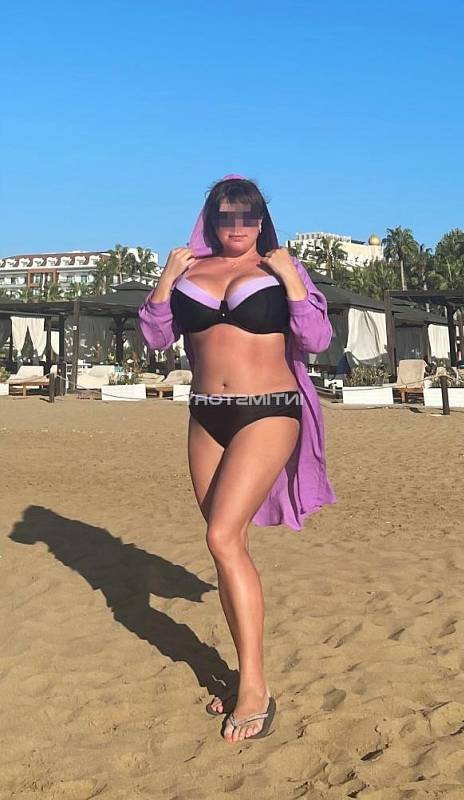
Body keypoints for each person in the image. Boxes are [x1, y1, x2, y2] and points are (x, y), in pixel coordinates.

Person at [138, 173, 336, 743]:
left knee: (221, 537)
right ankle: (245, 671)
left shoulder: (279, 269)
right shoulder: (188, 272)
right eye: (226, 216)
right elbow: (155, 339)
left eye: (248, 216)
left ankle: (254, 687)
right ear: (211, 220)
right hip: (207, 415)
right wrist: (166, 279)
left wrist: (292, 280)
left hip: (268, 411)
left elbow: (317, 339)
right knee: (230, 547)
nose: (237, 226)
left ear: (261, 220)